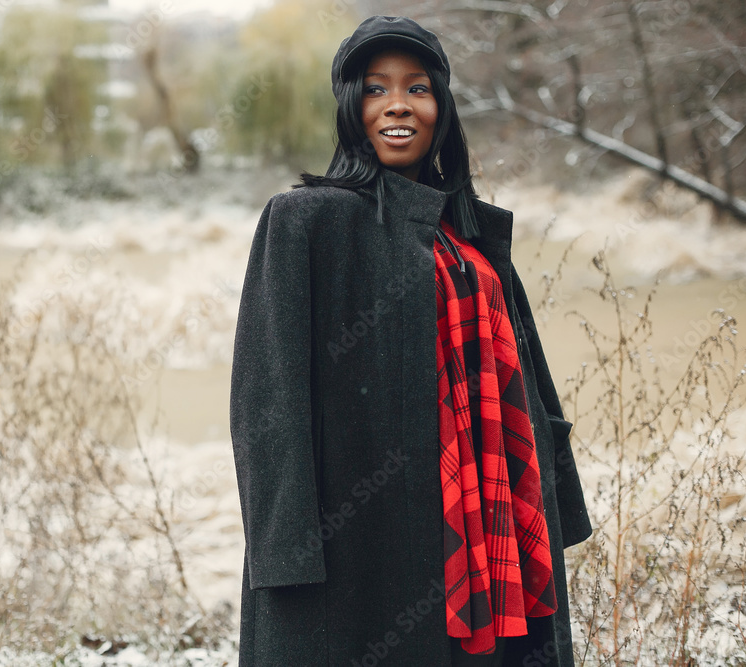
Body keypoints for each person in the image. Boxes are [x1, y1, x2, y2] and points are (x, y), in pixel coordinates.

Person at [229, 15, 592, 667]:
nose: (398, 103)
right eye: (375, 89)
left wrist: (559, 502)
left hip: (493, 521)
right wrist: (283, 550)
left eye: (418, 87)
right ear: (349, 108)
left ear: (442, 108)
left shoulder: (470, 234)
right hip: (361, 547)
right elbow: (268, 396)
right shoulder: (306, 221)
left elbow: (528, 383)